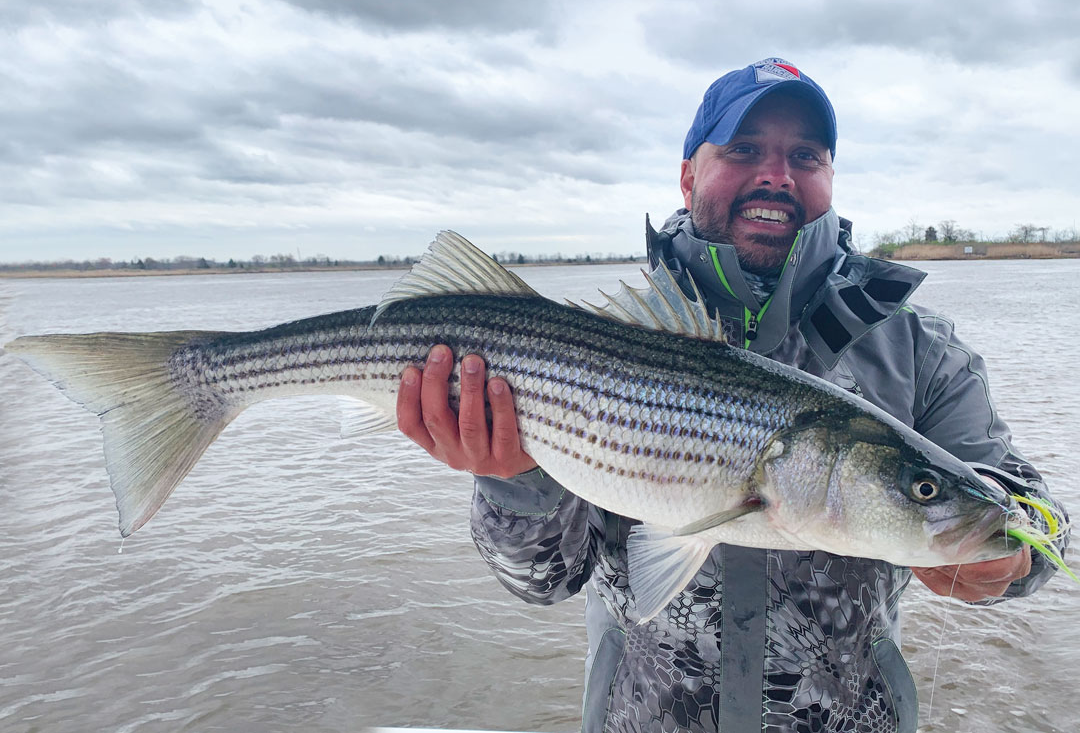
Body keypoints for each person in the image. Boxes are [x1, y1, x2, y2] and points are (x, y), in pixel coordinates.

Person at [395, 57, 1068, 733]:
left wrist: (1015, 553)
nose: (776, 173)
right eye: (744, 149)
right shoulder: (599, 342)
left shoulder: (918, 347)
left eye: (805, 154)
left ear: (829, 179)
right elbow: (539, 582)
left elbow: (1033, 510)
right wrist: (510, 480)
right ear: (689, 175)